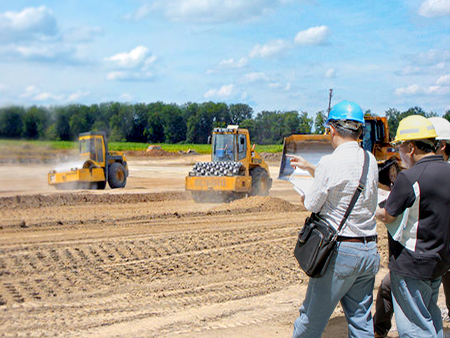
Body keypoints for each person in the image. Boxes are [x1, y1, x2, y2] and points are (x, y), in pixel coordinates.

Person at [290, 100, 380, 338]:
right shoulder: (371, 161)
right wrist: (312, 167)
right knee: (361, 321)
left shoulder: (330, 162)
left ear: (332, 129)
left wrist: (306, 192)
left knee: (310, 320)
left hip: (341, 253)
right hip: (368, 250)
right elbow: (350, 184)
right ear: (360, 130)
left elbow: (312, 203)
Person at [373, 116, 450, 338]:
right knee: (429, 317)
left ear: (411, 147)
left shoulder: (410, 177)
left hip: (412, 264)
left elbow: (388, 216)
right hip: (438, 261)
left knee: (414, 328)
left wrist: (373, 208)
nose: (400, 153)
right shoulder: (446, 170)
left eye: (401, 147)